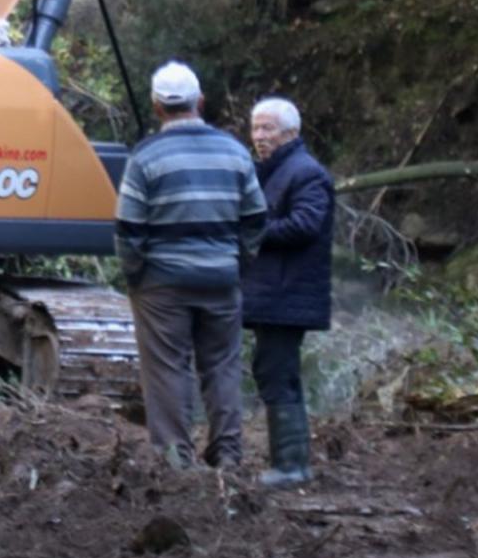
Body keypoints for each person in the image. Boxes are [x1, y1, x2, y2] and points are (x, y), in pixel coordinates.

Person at [115, 61, 266, 468]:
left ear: (156, 107)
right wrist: (237, 262)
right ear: (200, 101)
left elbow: (129, 228)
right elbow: (255, 219)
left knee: (167, 368)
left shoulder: (145, 157)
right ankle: (229, 454)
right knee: (222, 366)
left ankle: (175, 460)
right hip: (221, 278)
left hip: (162, 283)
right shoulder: (235, 152)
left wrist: (134, 275)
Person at [243, 96, 334, 488]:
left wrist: (253, 233)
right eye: (256, 128)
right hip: (276, 294)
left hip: (288, 293)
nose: (260, 136)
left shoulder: (306, 173)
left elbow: (306, 225)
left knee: (276, 373)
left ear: (291, 133)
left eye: (268, 129)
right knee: (276, 371)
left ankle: (291, 466)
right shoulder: (273, 170)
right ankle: (291, 464)